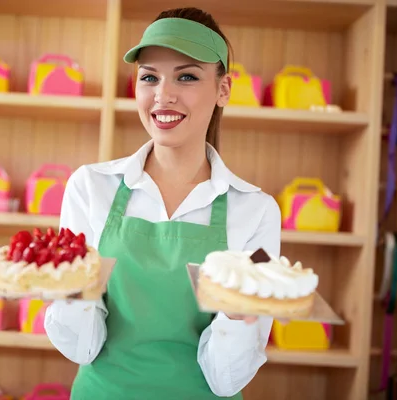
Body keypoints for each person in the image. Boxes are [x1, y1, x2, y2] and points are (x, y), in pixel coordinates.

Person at [44, 7, 281, 400]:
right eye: (149, 77)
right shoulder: (91, 188)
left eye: (186, 76)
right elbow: (79, 347)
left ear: (223, 89)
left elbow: (227, 380)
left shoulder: (254, 211)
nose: (163, 95)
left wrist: (242, 316)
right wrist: (65, 287)